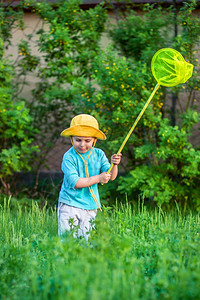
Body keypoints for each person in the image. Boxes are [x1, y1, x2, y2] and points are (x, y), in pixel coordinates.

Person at [58, 114, 122, 241]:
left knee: (85, 241)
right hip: (70, 204)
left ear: (94, 140)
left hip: (90, 206)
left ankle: (81, 260)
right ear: (71, 139)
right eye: (78, 140)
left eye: (87, 141)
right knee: (68, 241)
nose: (82, 144)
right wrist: (99, 178)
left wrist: (114, 165)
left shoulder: (99, 154)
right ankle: (65, 261)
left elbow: (111, 177)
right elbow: (75, 182)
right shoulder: (69, 157)